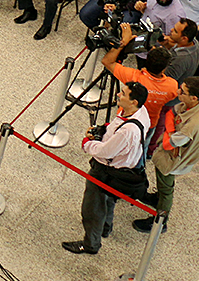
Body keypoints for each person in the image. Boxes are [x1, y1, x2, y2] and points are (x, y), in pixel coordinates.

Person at [61, 80, 150, 255]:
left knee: (92, 208)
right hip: (123, 171)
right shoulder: (141, 113)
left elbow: (105, 151)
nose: (118, 94)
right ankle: (105, 227)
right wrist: (106, 130)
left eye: (123, 94)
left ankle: (91, 244)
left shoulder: (127, 131)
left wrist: (87, 143)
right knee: (109, 200)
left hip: (105, 171)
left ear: (134, 102)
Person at [132, 76, 199, 233]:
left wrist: (170, 132)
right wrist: (171, 130)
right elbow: (170, 113)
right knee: (163, 182)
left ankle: (160, 221)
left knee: (166, 187)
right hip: (172, 151)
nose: (178, 92)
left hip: (175, 159)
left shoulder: (194, 124)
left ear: (193, 97)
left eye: (182, 91)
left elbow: (169, 144)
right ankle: (158, 198)